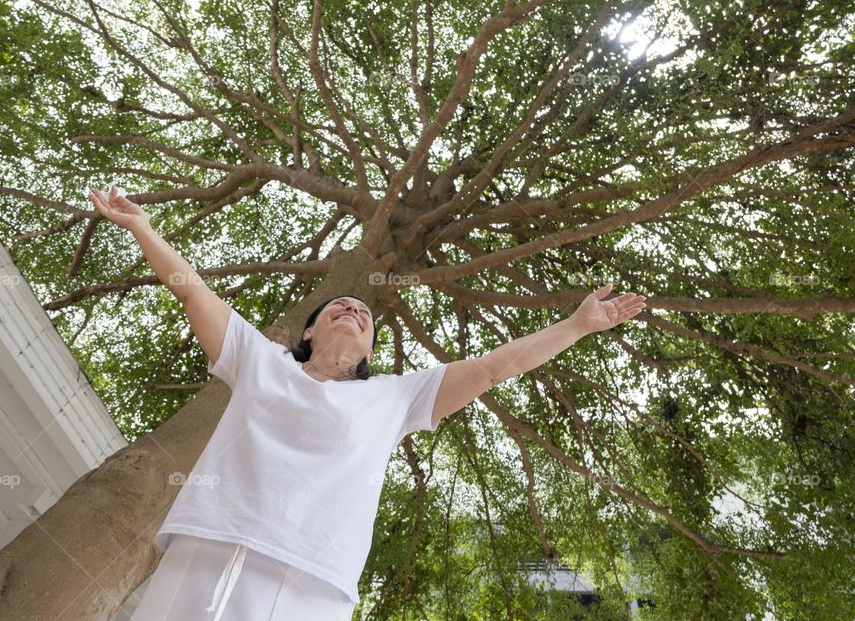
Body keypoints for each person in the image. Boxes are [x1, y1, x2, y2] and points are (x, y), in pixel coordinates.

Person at [89, 185, 647, 620]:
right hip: (214, 545)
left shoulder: (395, 397)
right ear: (308, 332)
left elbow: (498, 364)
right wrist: (142, 226)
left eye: (365, 313)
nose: (354, 309)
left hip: (313, 579)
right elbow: (191, 288)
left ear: (371, 349)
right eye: (339, 307)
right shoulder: (258, 360)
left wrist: (576, 326)